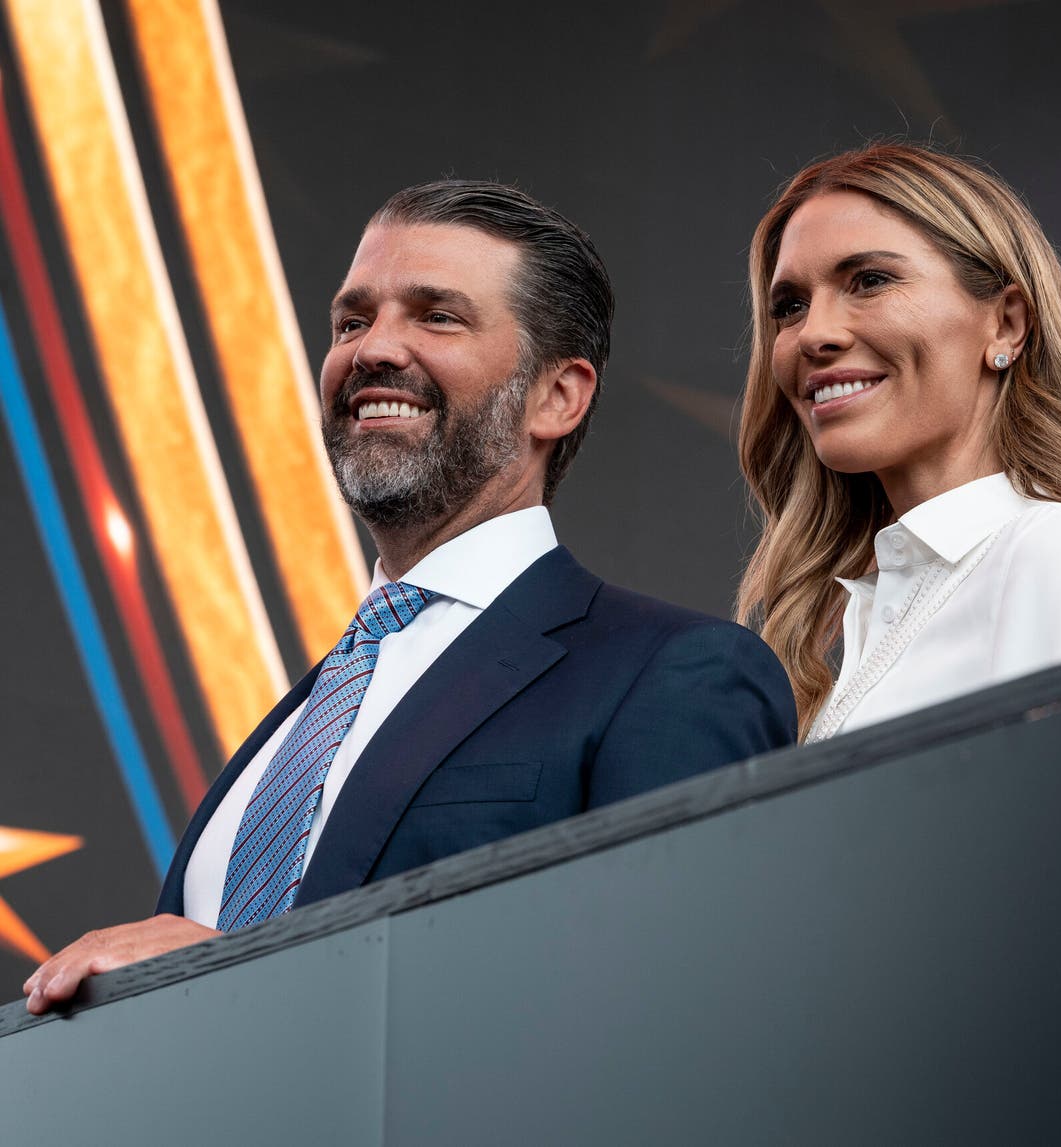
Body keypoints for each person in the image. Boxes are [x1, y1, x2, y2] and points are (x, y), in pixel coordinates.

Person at [25, 181, 797, 1013]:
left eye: (438, 316)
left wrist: (248, 975)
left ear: (557, 396)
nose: (373, 349)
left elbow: (674, 1008)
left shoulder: (672, 676)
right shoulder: (306, 713)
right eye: (352, 321)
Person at [736, 143, 1061, 743]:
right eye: (791, 306)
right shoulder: (869, 607)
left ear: (1006, 324)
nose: (814, 333)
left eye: (870, 280)